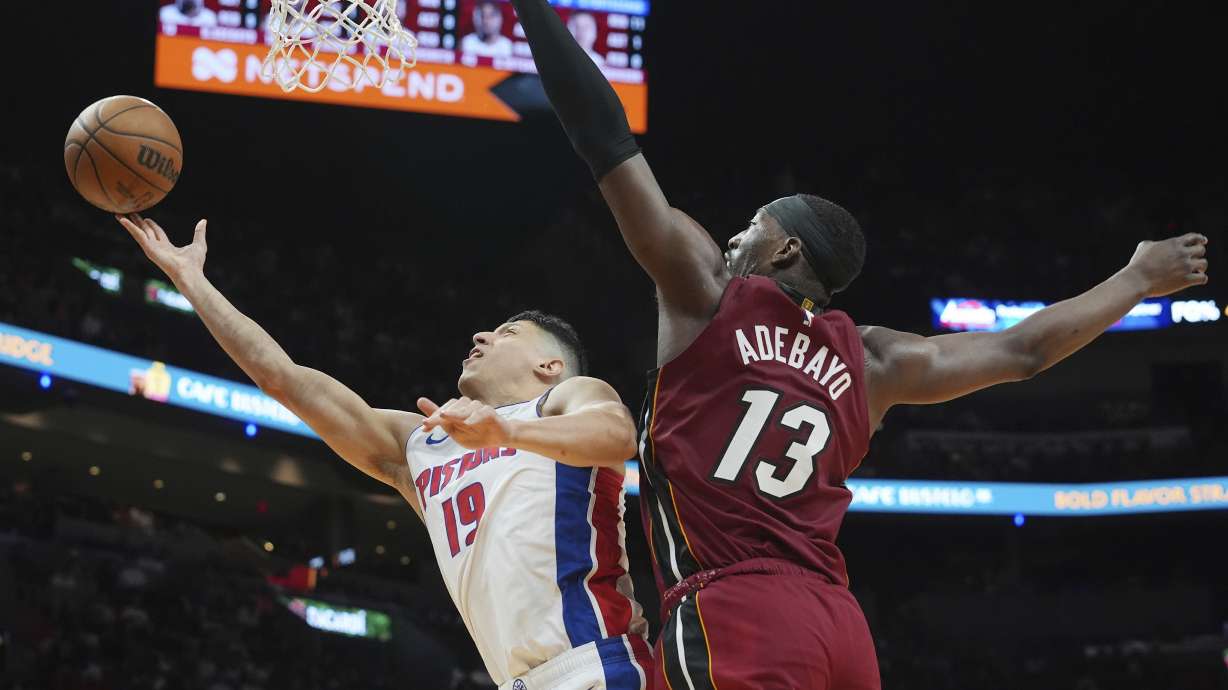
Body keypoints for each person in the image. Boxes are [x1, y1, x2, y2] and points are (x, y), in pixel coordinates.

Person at [504, 1, 1213, 688]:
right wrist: (1134, 279)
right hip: (839, 628)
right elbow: (1024, 352)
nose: (732, 238)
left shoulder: (707, 292)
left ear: (782, 249)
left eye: (750, 226)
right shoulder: (874, 360)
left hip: (736, 612)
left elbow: (605, 138)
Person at [115, 214, 653, 690]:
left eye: (508, 333)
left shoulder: (566, 399)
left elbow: (617, 436)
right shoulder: (422, 443)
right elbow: (284, 379)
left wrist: (505, 434)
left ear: (549, 366)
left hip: (596, 663)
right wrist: (191, 283)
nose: (482, 335)